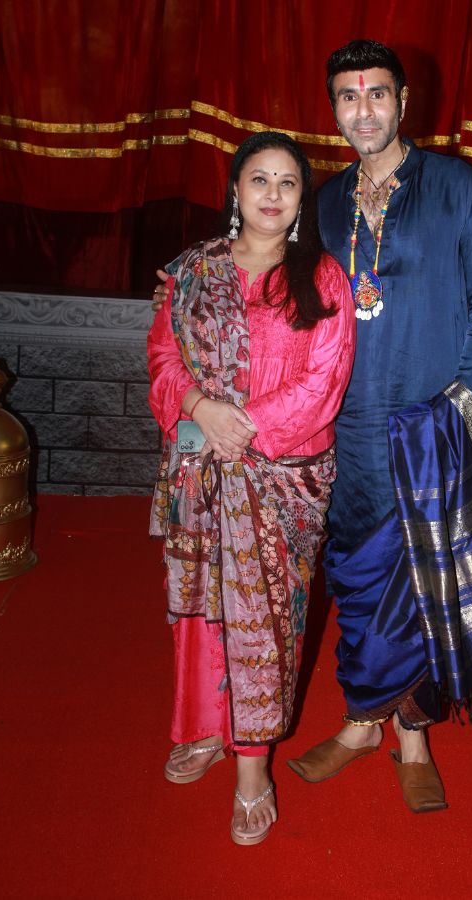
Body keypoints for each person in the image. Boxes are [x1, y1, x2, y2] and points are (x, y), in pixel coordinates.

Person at [283, 39, 472, 813]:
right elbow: (287, 294)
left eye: (377, 93)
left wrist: (462, 401)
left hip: (429, 418)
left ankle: (411, 735)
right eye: (348, 96)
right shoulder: (324, 202)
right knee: (356, 570)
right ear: (334, 109)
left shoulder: (459, 188)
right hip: (348, 422)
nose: (364, 110)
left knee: (422, 580)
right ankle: (359, 721)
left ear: (404, 101)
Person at [146, 131, 355, 845]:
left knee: (263, 623)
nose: (272, 193)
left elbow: (324, 382)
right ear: (236, 190)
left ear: (303, 199)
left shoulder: (321, 276)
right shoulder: (192, 270)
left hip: (281, 476)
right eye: (258, 179)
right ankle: (204, 726)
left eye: (287, 182)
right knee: (201, 608)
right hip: (199, 466)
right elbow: (163, 355)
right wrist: (200, 409)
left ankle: (252, 766)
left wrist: (242, 429)